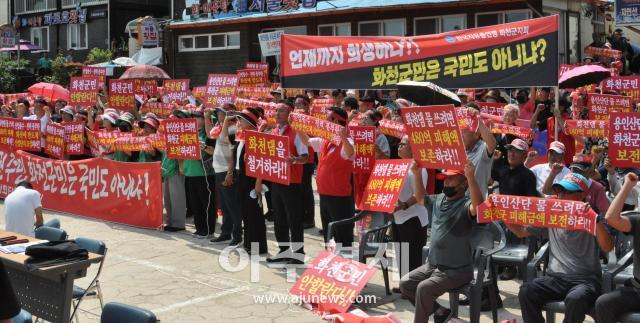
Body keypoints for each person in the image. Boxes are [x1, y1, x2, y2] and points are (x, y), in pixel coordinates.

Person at [508, 173, 614, 323]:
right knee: (526, 290)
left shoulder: (594, 216)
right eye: (559, 191)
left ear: (581, 195)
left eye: (566, 192)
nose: (561, 196)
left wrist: (594, 219)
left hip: (585, 280)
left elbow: (608, 247)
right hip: (555, 278)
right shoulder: (553, 215)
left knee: (575, 299)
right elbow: (521, 231)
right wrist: (503, 214)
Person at [399, 161, 482, 323]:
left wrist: (471, 178)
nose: (446, 182)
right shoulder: (439, 200)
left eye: (451, 179)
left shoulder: (465, 204)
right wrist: (416, 173)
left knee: (424, 288)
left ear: (463, 183)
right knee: (405, 283)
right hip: (433, 265)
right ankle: (440, 311)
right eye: (444, 178)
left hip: (456, 270)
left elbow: (478, 206)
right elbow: (421, 198)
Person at [297, 107, 354, 246]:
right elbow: (307, 142)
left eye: (328, 118)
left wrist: (343, 137)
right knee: (329, 236)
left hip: (340, 197)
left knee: (342, 236)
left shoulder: (348, 141)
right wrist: (297, 127)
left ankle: (344, 264)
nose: (324, 121)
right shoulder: (326, 140)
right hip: (325, 195)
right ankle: (331, 262)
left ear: (335, 120)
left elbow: (350, 152)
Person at [261, 100, 309, 264]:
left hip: (292, 182)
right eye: (276, 110)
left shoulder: (296, 132)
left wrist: (294, 160)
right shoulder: (274, 131)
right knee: (279, 218)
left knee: (293, 218)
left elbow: (306, 157)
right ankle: (283, 251)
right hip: (276, 179)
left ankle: (298, 253)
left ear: (290, 115)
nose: (276, 113)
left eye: (281, 111)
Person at [596, 172, 640, 322]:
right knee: (603, 304)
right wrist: (627, 186)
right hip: (637, 289)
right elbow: (611, 218)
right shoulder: (638, 220)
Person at [232, 108, 267, 254]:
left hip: (252, 180)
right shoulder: (242, 136)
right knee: (245, 212)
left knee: (254, 213)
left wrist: (259, 182)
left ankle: (257, 246)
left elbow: (261, 161)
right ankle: (248, 243)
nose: (239, 122)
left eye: (241, 119)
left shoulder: (256, 137)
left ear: (249, 121)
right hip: (241, 177)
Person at [206, 104, 242, 246]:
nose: (218, 115)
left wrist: (229, 172)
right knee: (225, 205)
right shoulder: (222, 127)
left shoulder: (233, 129)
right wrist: (206, 117)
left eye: (221, 112)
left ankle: (237, 234)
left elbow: (227, 146)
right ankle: (226, 232)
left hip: (227, 171)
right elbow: (210, 134)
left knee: (232, 205)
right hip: (219, 170)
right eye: (218, 113)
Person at [393, 136, 429, 277]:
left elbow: (419, 195)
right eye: (399, 144)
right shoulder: (397, 166)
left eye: (403, 144)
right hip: (398, 216)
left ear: (413, 148)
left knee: (413, 255)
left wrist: (405, 205)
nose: (399, 146)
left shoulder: (418, 169)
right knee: (400, 251)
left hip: (414, 218)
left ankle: (412, 286)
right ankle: (403, 283)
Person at [183, 107, 216, 238]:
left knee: (206, 203)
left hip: (205, 174)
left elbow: (214, 150)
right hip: (190, 172)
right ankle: (199, 228)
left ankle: (208, 230)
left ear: (204, 119)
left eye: (198, 117)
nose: (195, 120)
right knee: (195, 203)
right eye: (194, 117)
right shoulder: (188, 133)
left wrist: (204, 147)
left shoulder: (209, 133)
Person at [461, 105, 496, 198]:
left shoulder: (483, 148)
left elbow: (492, 143)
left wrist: (477, 118)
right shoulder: (457, 151)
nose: (460, 135)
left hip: (475, 204)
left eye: (464, 132)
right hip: (456, 204)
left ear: (476, 134)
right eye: (459, 132)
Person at [293, 95, 316, 230]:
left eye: (301, 104)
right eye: (296, 105)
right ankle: (301, 215)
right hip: (296, 159)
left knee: (306, 189)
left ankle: (309, 218)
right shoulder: (294, 119)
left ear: (307, 106)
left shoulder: (312, 121)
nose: (298, 107)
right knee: (298, 190)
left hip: (307, 159)